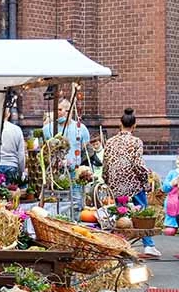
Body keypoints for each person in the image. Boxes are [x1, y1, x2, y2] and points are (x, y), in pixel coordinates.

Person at [102, 108, 159, 258]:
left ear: (120, 123)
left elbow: (106, 164)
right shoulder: (135, 142)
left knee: (121, 215)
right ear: (135, 125)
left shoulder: (110, 142)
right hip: (133, 183)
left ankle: (122, 244)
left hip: (116, 184)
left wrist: (107, 180)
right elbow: (138, 164)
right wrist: (146, 179)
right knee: (142, 214)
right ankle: (149, 245)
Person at [43, 98, 90, 170]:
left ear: (72, 112)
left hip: (75, 171)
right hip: (53, 171)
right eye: (59, 109)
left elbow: (85, 148)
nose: (63, 112)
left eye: (67, 110)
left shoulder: (81, 128)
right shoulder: (47, 129)